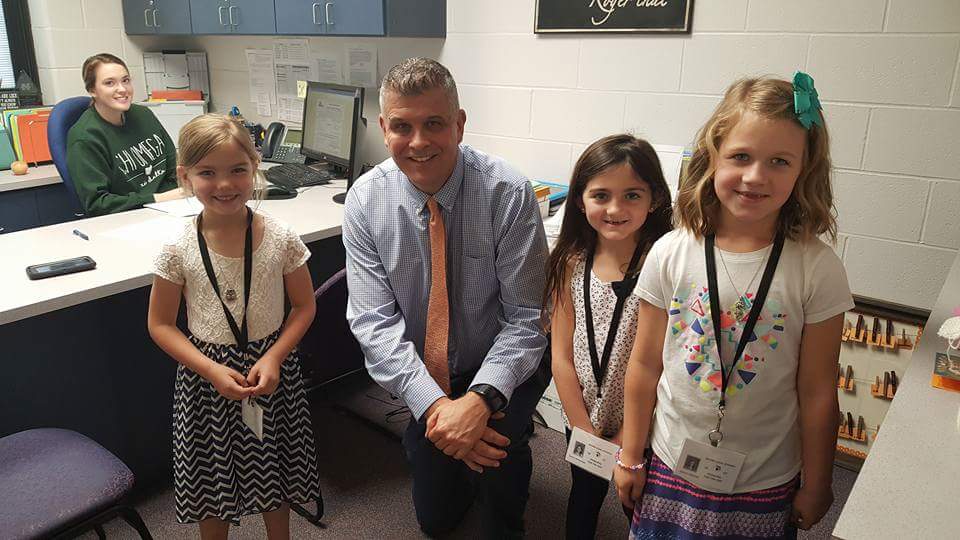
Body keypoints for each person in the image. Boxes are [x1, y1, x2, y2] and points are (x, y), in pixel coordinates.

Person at [614, 73, 854, 539]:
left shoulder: (817, 269)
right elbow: (643, 366)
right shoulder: (671, 252)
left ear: (804, 170)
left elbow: (819, 390)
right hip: (670, 464)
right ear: (713, 156)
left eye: (779, 161)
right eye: (741, 156)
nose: (755, 176)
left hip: (764, 478)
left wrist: (820, 482)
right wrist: (630, 454)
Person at [342, 57, 549, 539]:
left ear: (459, 123)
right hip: (423, 371)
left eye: (434, 123)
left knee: (499, 454)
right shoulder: (365, 201)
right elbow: (374, 324)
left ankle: (501, 480)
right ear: (383, 127)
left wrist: (479, 400)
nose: (418, 142)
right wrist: (437, 409)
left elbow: (527, 320)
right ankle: (457, 450)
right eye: (402, 126)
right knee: (436, 521)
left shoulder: (509, 192)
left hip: (499, 362)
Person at [147, 114, 321, 539]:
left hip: (270, 372)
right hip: (206, 380)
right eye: (208, 173)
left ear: (255, 166)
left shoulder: (280, 237)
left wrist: (275, 356)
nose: (225, 185)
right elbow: (161, 324)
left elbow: (303, 307)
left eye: (237, 170)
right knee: (212, 485)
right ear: (185, 177)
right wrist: (209, 369)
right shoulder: (177, 247)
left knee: (275, 476)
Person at [545, 134, 673, 539]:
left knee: (638, 505)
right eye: (601, 195)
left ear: (653, 199)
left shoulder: (664, 265)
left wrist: (627, 441)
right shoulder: (570, 261)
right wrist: (582, 427)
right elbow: (561, 357)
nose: (616, 209)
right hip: (584, 416)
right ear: (581, 200)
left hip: (640, 425)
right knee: (583, 498)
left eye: (632, 195)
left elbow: (665, 363)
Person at [67, 53, 186, 216]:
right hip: (128, 218)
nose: (122, 89)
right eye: (109, 83)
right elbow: (97, 204)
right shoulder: (85, 138)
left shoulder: (144, 115)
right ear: (92, 90)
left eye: (126, 80)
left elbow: (173, 168)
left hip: (171, 208)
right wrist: (157, 199)